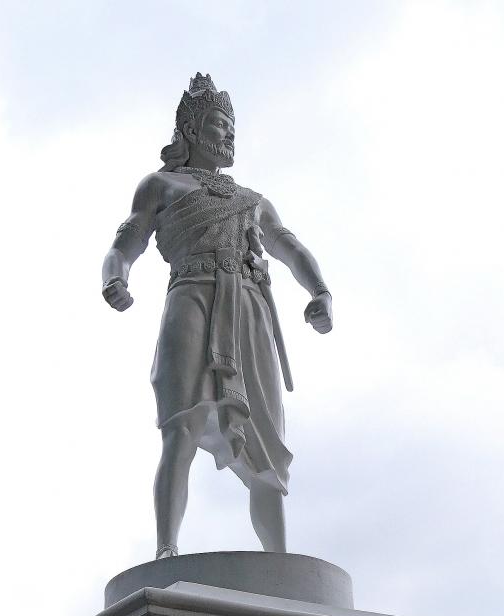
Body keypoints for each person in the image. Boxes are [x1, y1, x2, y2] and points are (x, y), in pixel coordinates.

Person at [101, 73, 333, 559]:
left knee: (266, 447)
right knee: (181, 423)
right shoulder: (161, 186)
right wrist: (115, 277)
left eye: (232, 125)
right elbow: (125, 243)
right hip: (192, 297)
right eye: (218, 123)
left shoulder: (254, 202)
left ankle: (278, 562)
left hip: (248, 309)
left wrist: (320, 291)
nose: (228, 133)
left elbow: (289, 247)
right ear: (191, 129)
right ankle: (167, 547)